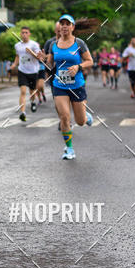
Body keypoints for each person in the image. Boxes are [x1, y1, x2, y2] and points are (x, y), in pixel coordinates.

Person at [43, 15, 93, 160]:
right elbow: (50, 63)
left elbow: (90, 61)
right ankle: (69, 149)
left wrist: (78, 67)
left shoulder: (79, 43)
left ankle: (86, 116)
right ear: (59, 27)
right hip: (59, 86)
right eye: (62, 24)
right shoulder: (53, 45)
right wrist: (42, 59)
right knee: (64, 117)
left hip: (77, 86)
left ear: (72, 27)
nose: (64, 26)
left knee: (80, 122)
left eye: (67, 24)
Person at [11, 26, 41, 122]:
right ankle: (23, 112)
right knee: (23, 91)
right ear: (20, 34)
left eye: (26, 32)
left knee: (32, 91)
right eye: (22, 32)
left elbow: (39, 57)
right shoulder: (17, 45)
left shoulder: (34, 44)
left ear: (29, 34)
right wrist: (14, 64)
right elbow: (17, 56)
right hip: (22, 71)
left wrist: (31, 52)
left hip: (33, 71)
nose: (24, 34)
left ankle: (33, 102)